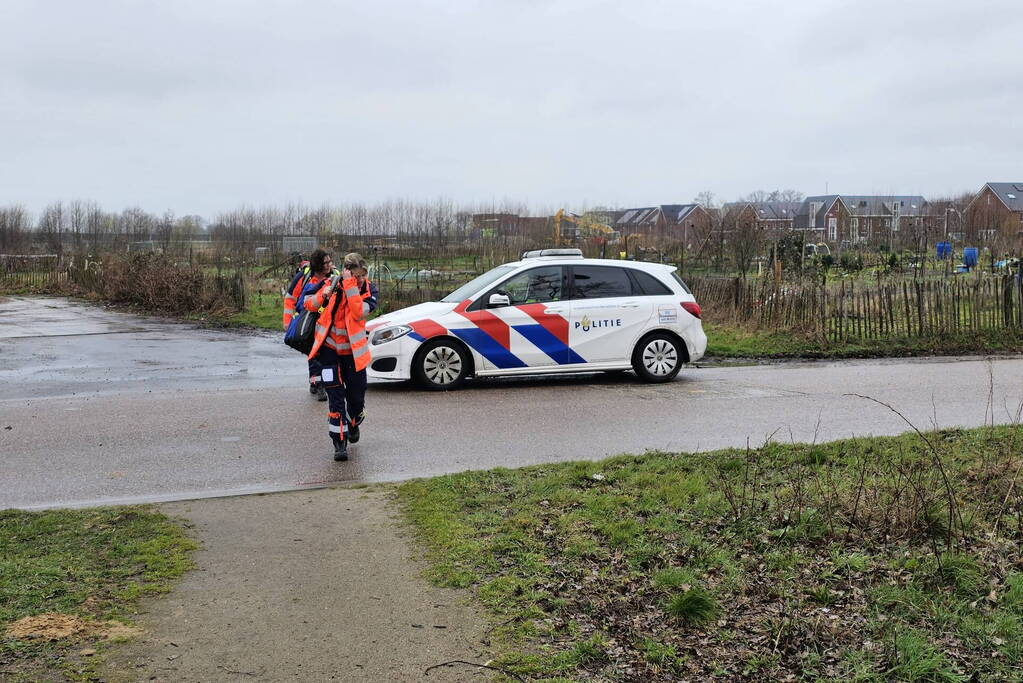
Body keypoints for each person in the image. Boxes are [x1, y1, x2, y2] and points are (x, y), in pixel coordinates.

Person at [303, 253, 378, 461]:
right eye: (356, 275)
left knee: (355, 400)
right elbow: (307, 302)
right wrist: (323, 295)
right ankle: (339, 443)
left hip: (354, 357)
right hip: (329, 354)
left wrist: (351, 285)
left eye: (363, 275)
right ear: (347, 271)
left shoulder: (369, 290)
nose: (361, 279)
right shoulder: (331, 283)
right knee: (335, 401)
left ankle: (353, 423)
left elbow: (357, 312)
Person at [283, 248, 338, 400]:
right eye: (325, 262)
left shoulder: (335, 275)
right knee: (313, 352)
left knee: (326, 353)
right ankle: (317, 384)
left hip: (328, 321)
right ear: (318, 265)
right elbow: (290, 299)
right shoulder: (304, 276)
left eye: (329, 262)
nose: (329, 265)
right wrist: (287, 323)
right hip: (309, 319)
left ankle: (325, 383)